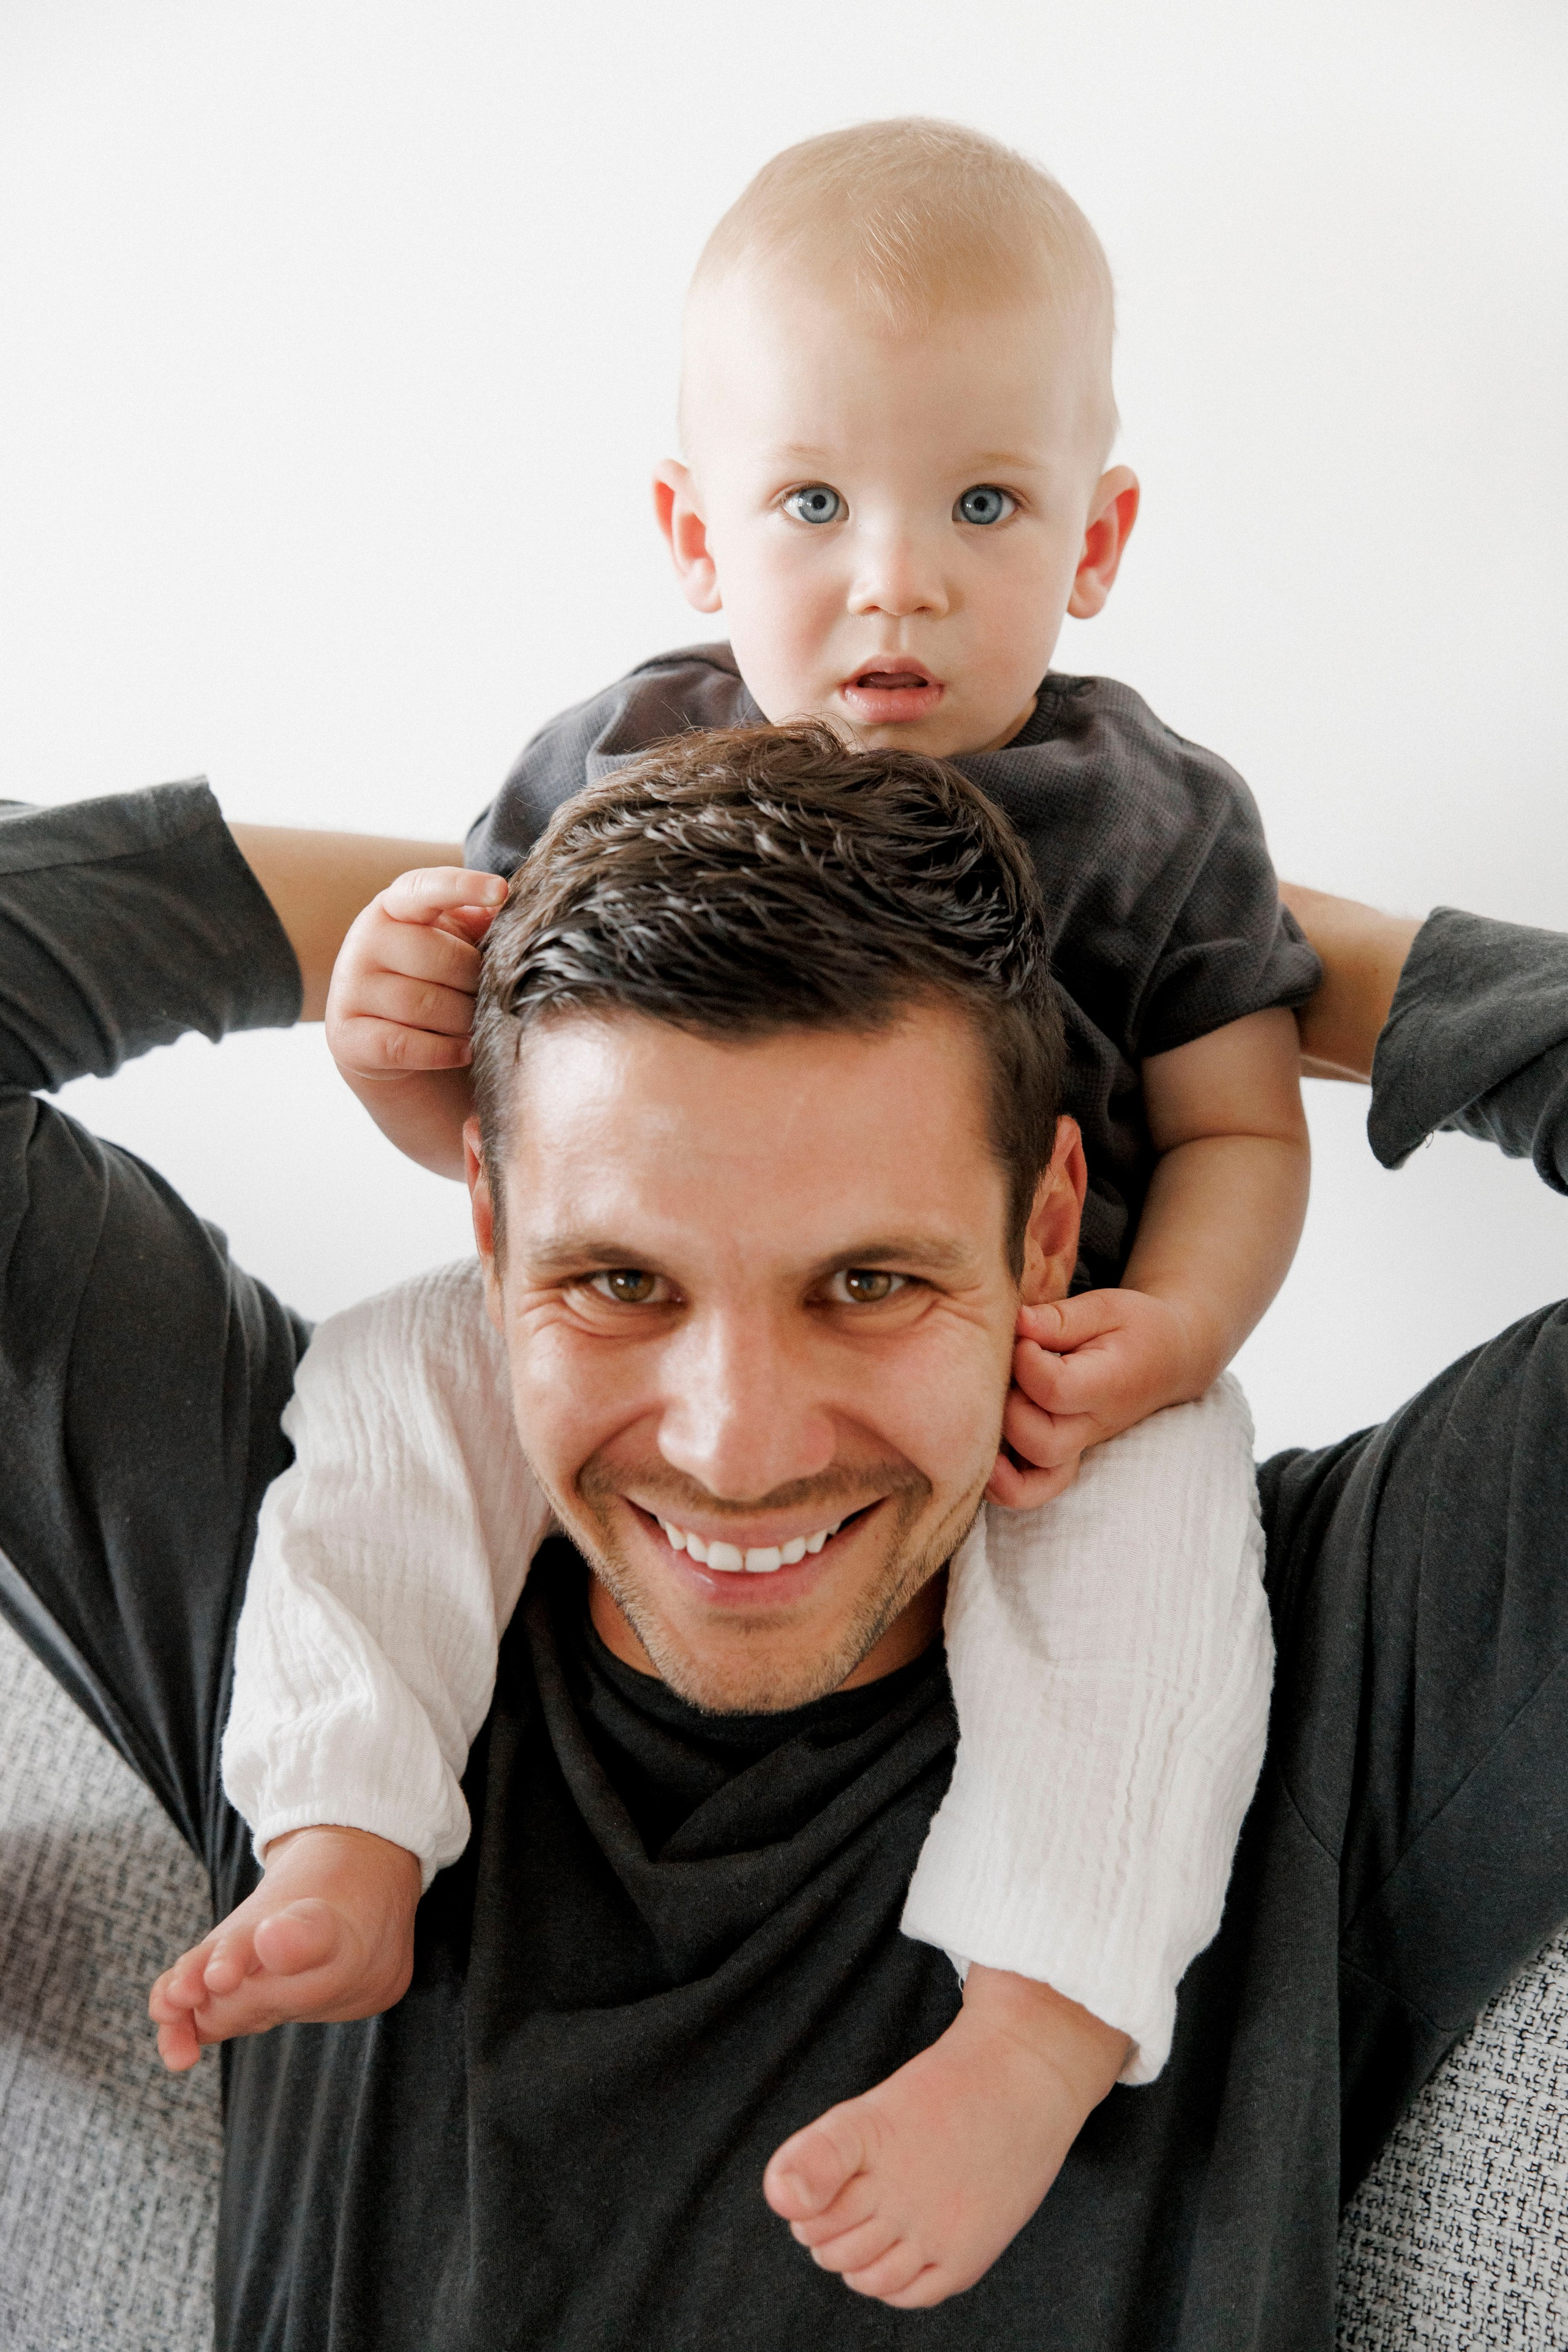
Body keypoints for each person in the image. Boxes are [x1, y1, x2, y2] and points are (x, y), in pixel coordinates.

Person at [4, 752, 1568, 2352]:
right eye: (620, 1283)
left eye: (871, 1284)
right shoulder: (316, 1586)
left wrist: (1237, 957)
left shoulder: (1332, 1652)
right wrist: (488, 902)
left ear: (1045, 1231)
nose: (736, 1446)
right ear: (490, 1224)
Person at [203, 115, 1318, 2291]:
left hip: (1046, 1373)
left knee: (1168, 1535)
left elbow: (1253, 1132)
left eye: (980, 504)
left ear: (1097, 539)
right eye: (813, 502)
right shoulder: (606, 754)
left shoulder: (1157, 820)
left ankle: (1040, 2017)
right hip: (649, 1294)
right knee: (385, 1394)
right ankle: (342, 1818)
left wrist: (1170, 1332)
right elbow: (502, 1124)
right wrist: (374, 1030)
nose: (891, 576)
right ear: (688, 529)